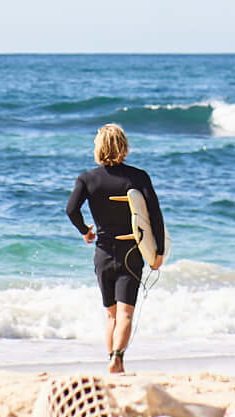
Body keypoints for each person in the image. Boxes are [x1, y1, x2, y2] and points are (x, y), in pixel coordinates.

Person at [65, 123, 167, 375]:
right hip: (131, 253)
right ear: (124, 147)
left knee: (110, 314)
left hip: (103, 253)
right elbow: (154, 215)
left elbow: (71, 209)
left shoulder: (87, 179)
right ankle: (118, 357)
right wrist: (159, 251)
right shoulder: (138, 177)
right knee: (126, 313)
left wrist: (85, 231)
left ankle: (111, 358)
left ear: (98, 148)